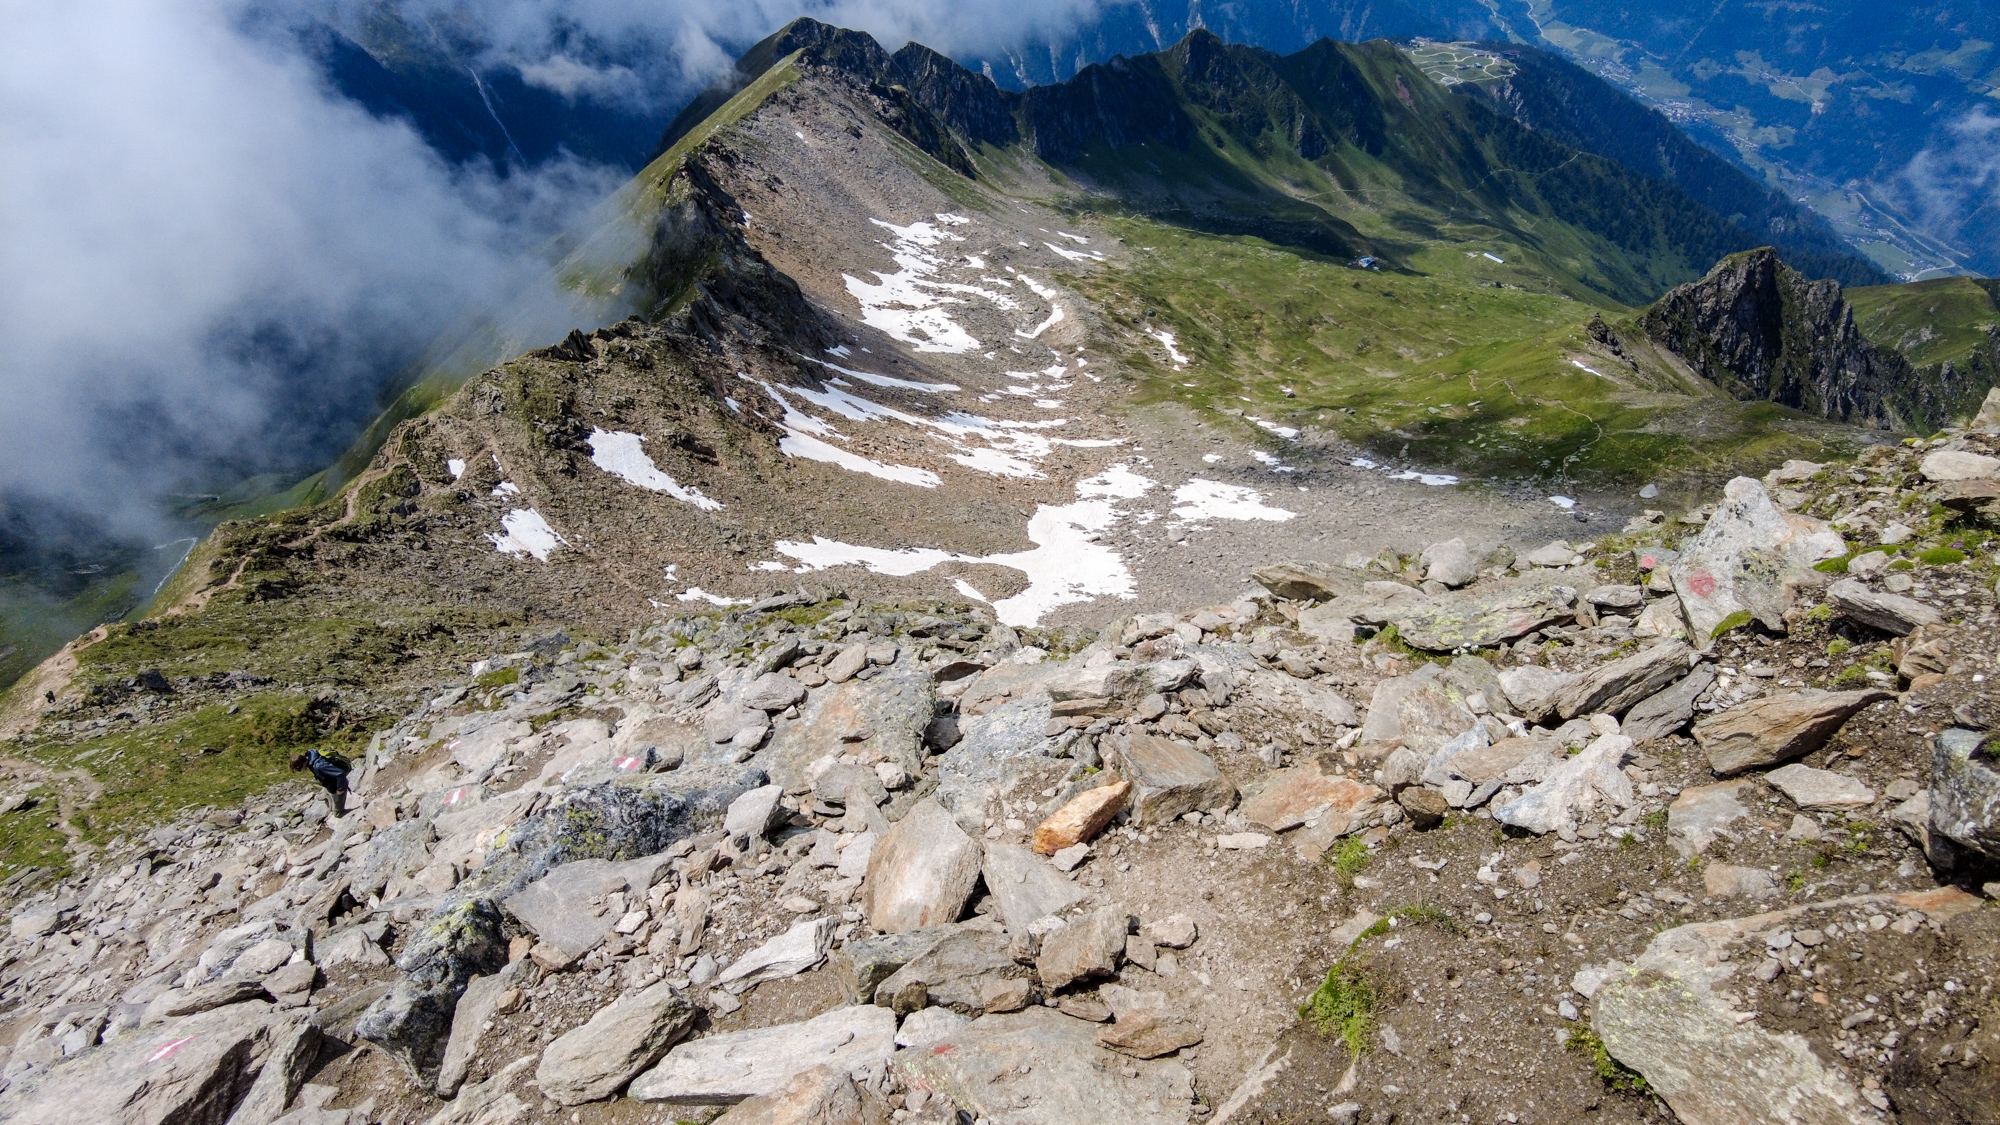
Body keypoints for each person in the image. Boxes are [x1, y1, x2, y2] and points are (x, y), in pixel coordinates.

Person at [291, 748, 351, 818]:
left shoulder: (319, 766)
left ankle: (350, 812)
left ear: (303, 763)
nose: (300, 771)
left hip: (336, 787)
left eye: (299, 769)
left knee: (337, 814)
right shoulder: (310, 756)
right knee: (321, 797)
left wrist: (340, 789)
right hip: (328, 784)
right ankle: (328, 797)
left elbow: (340, 774)